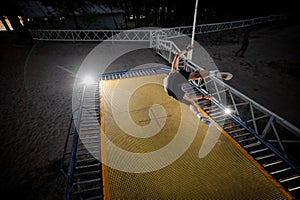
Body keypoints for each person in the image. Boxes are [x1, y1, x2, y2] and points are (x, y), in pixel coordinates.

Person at [164, 44, 233, 125]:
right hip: (175, 79)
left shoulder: (171, 81)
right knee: (196, 75)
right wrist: (187, 49)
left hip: (169, 90)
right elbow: (177, 56)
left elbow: (191, 97)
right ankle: (214, 73)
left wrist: (203, 97)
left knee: (190, 102)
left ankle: (200, 116)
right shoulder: (173, 70)